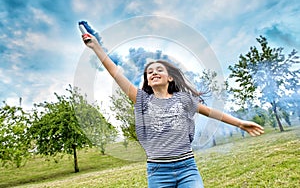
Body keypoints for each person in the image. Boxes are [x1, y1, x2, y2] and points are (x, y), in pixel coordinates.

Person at [81, 33, 264, 188]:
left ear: (169, 78)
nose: (153, 72)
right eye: (149, 72)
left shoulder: (183, 99)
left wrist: (241, 123)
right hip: (158, 173)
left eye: (158, 69)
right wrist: (96, 47)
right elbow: (115, 72)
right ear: (147, 80)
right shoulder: (142, 99)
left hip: (187, 168)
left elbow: (211, 112)